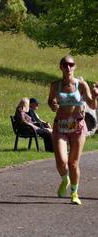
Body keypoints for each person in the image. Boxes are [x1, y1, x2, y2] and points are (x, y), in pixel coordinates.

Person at [48, 55, 98, 205]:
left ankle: (74, 193)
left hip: (78, 126)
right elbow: (50, 100)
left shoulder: (81, 85)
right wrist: (53, 104)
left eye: (71, 64)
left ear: (75, 67)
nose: (68, 67)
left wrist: (95, 96)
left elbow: (92, 105)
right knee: (61, 162)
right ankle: (65, 179)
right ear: (61, 67)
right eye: (65, 65)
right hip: (60, 126)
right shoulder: (55, 85)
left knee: (73, 163)